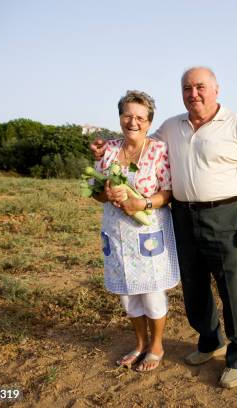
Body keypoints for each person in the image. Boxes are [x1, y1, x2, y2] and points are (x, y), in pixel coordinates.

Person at [92, 67, 237, 388]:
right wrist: (105, 151)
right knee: (194, 285)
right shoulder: (171, 126)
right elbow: (137, 144)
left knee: (233, 289)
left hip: (225, 214)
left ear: (216, 89)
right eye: (187, 88)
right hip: (182, 215)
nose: (193, 93)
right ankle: (210, 342)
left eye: (200, 87)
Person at [91, 90, 180, 372]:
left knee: (152, 293)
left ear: (149, 122)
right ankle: (140, 343)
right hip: (116, 232)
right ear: (120, 117)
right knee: (128, 295)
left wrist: (140, 202)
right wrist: (106, 194)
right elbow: (95, 192)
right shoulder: (108, 151)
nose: (133, 122)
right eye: (127, 115)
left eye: (140, 117)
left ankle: (157, 346)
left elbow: (168, 192)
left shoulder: (158, 151)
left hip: (148, 231)